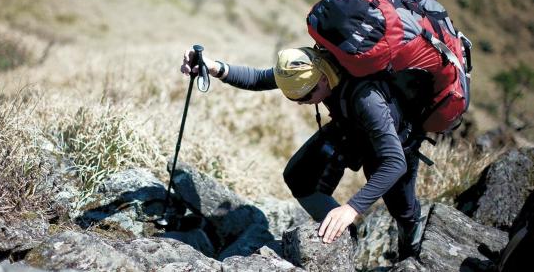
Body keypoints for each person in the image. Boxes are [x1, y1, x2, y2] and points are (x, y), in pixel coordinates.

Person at [180, 46, 423, 260]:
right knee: (300, 176)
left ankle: (411, 254)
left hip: (395, 140)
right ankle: (343, 238)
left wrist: (350, 209)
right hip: (348, 126)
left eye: (305, 96)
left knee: (402, 209)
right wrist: (213, 67)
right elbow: (259, 78)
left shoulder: (366, 100)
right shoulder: (306, 65)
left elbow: (394, 162)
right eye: (292, 96)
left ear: (324, 80)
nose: (300, 102)